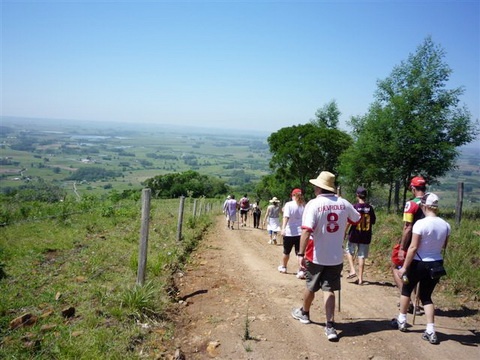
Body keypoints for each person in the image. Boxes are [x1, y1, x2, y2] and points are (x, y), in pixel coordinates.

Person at [291, 171, 361, 341]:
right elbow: (356, 219)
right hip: (336, 255)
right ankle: (330, 326)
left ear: (318, 187)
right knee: (329, 290)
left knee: (310, 285)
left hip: (316, 254)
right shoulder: (344, 203)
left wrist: (300, 253)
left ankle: (305, 313)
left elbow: (306, 231)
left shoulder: (314, 204)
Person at [394, 193, 450, 344]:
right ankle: (430, 330)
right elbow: (444, 245)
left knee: (406, 289)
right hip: (436, 263)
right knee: (426, 297)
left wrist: (405, 267)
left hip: (419, 262)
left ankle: (401, 320)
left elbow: (412, 247)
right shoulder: (445, 225)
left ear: (424, 206)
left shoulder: (420, 224)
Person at [392, 176, 426, 311]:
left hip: (412, 242)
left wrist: (402, 247)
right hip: (427, 243)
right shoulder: (430, 202)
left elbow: (408, 227)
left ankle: (407, 300)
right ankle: (417, 302)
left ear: (413, 188)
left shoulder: (411, 204)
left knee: (396, 267)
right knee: (417, 271)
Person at [345, 186, 376, 285]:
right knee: (361, 256)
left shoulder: (354, 207)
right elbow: (373, 221)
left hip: (354, 234)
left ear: (357, 195)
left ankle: (352, 269)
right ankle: (361, 279)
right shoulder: (370, 208)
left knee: (349, 251)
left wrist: (344, 232)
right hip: (366, 235)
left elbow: (349, 222)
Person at [278, 189, 305, 277]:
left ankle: (284, 267)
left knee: (286, 252)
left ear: (292, 195)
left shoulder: (288, 205)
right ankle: (301, 271)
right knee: (299, 253)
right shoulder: (303, 205)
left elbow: (286, 217)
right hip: (300, 232)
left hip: (290, 232)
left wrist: (283, 228)